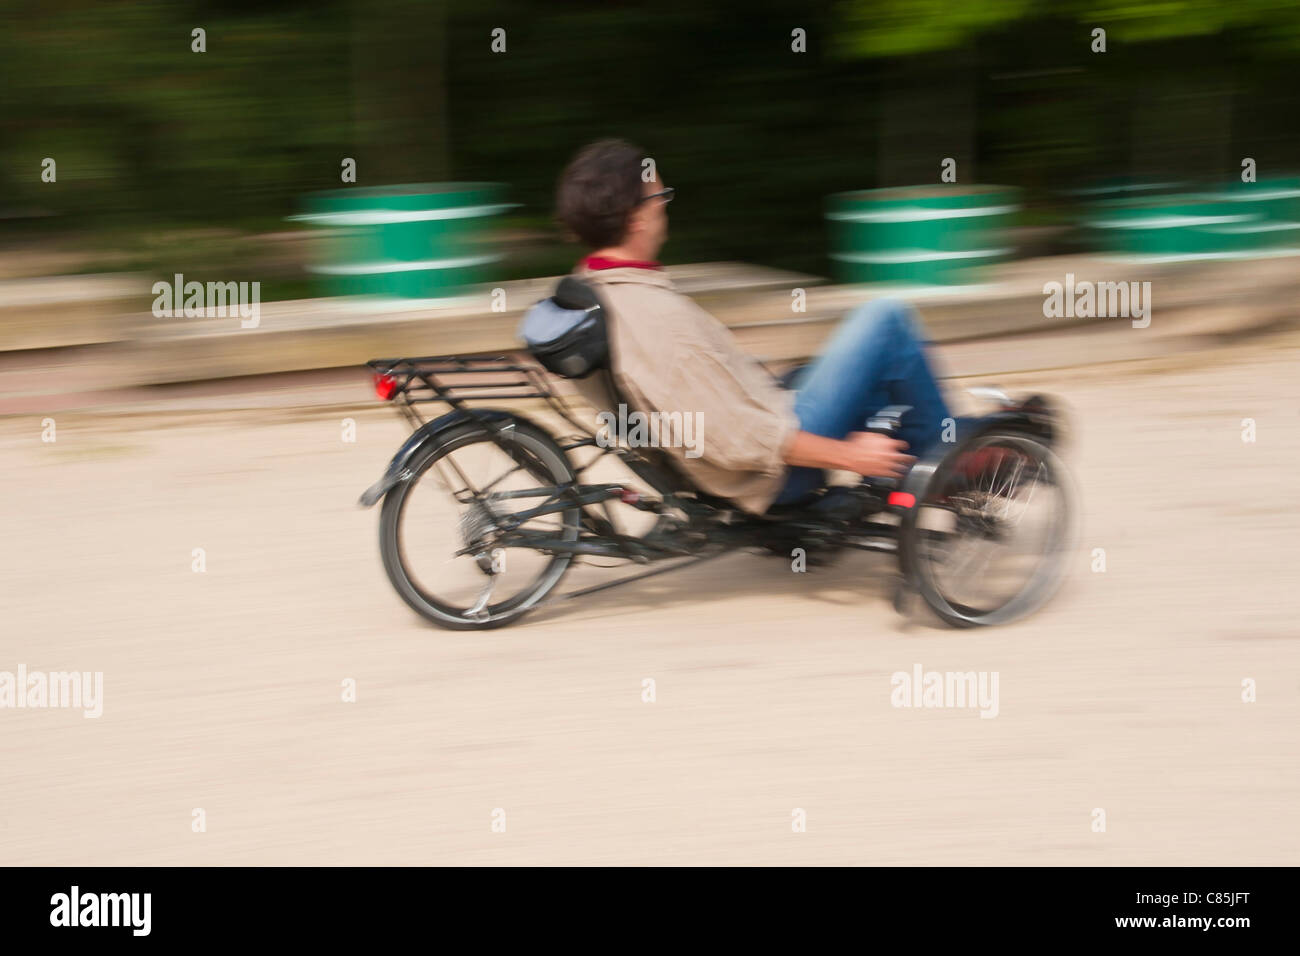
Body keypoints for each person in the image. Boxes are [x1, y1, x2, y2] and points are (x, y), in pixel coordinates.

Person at [555, 138, 952, 514]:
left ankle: (945, 446)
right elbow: (736, 436)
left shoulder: (590, 287)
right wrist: (851, 456)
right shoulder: (656, 319)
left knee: (854, 377)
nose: (665, 208)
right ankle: (954, 464)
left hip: (716, 460)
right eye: (661, 197)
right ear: (636, 217)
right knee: (884, 319)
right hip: (767, 478)